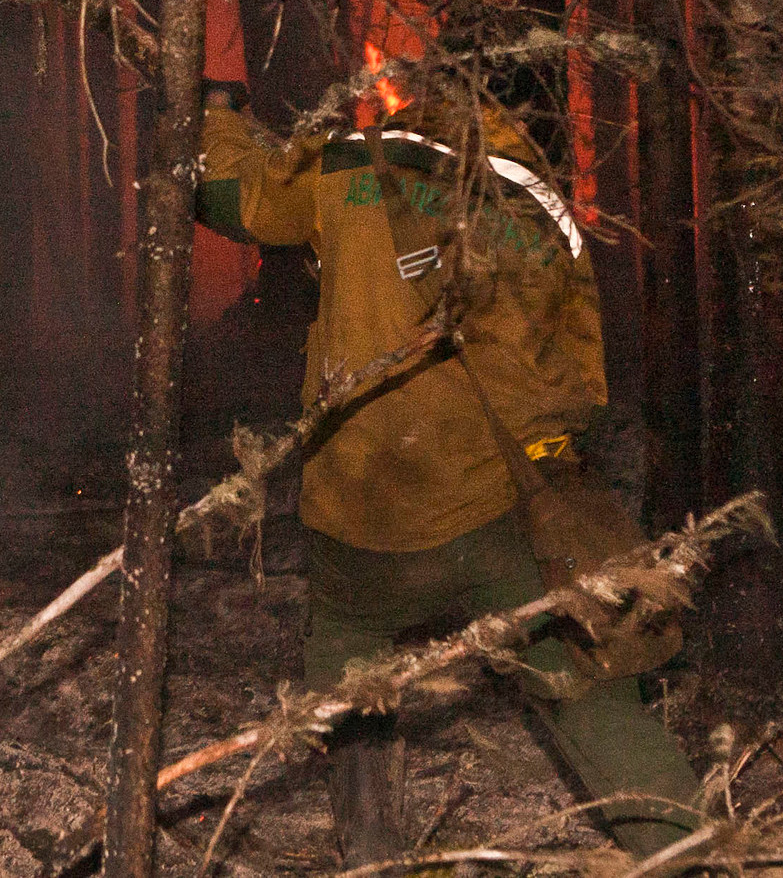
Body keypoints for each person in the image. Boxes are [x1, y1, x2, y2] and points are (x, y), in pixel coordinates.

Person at [196, 77, 702, 863]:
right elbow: (576, 364)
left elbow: (238, 196)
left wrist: (216, 116)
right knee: (585, 692)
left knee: (347, 653)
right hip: (497, 515)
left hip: (364, 517)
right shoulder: (532, 192)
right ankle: (687, 850)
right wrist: (550, 457)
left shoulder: (348, 164)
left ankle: (371, 848)